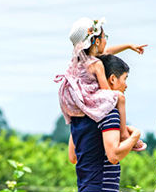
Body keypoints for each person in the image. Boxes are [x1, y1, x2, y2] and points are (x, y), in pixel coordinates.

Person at [68, 55, 141, 192]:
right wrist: (134, 137)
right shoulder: (108, 114)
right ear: (112, 79)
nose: (125, 86)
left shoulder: (81, 114)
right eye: (124, 79)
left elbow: (73, 156)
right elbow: (113, 155)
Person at [55, 16, 148, 152]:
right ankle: (123, 134)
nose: (106, 42)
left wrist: (128, 46)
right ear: (97, 41)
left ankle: (123, 131)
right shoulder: (97, 64)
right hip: (90, 97)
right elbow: (106, 91)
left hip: (78, 98)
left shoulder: (80, 59)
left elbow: (107, 52)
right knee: (119, 98)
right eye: (105, 38)